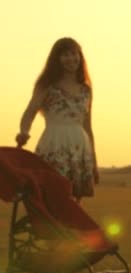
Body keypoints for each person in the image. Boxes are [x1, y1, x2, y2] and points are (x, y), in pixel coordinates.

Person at [15, 37, 98, 202]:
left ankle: (67, 228)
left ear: (80, 57)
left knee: (75, 199)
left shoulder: (86, 90)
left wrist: (94, 159)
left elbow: (88, 126)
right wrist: (24, 131)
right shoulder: (47, 85)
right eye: (65, 55)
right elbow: (30, 112)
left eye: (74, 54)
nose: (71, 59)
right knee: (52, 193)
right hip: (54, 143)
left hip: (80, 146)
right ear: (57, 59)